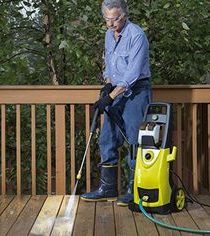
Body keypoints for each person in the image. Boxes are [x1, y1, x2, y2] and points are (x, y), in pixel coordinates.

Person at [81, 0, 152, 206]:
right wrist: (107, 84)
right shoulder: (108, 36)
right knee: (107, 136)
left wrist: (109, 97)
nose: (110, 24)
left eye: (114, 19)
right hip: (116, 90)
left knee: (134, 138)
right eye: (107, 19)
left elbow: (132, 73)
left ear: (124, 15)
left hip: (136, 91)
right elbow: (110, 64)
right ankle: (108, 188)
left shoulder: (136, 35)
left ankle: (134, 189)